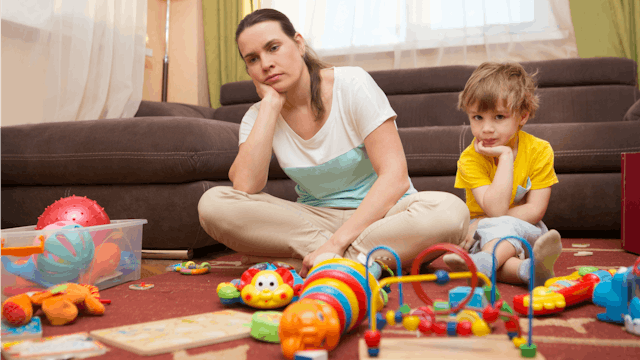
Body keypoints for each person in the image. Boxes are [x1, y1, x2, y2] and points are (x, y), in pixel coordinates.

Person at [197, 8, 470, 278]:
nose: (265, 63)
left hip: (384, 217)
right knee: (212, 204)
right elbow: (245, 187)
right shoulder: (258, 115)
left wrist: (335, 243)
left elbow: (395, 178)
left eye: (274, 47)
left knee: (450, 212)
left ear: (299, 43)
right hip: (315, 220)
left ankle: (316, 259)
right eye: (253, 59)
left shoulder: (352, 84)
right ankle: (364, 259)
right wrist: (270, 105)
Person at [443, 61, 562, 287]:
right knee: (496, 240)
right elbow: (495, 208)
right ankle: (527, 271)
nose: (486, 128)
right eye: (478, 117)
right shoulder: (470, 159)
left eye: (499, 117)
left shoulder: (540, 150)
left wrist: (505, 156)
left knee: (504, 229)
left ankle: (483, 263)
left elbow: (535, 210)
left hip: (526, 225)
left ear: (523, 117)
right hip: (478, 231)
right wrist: (507, 157)